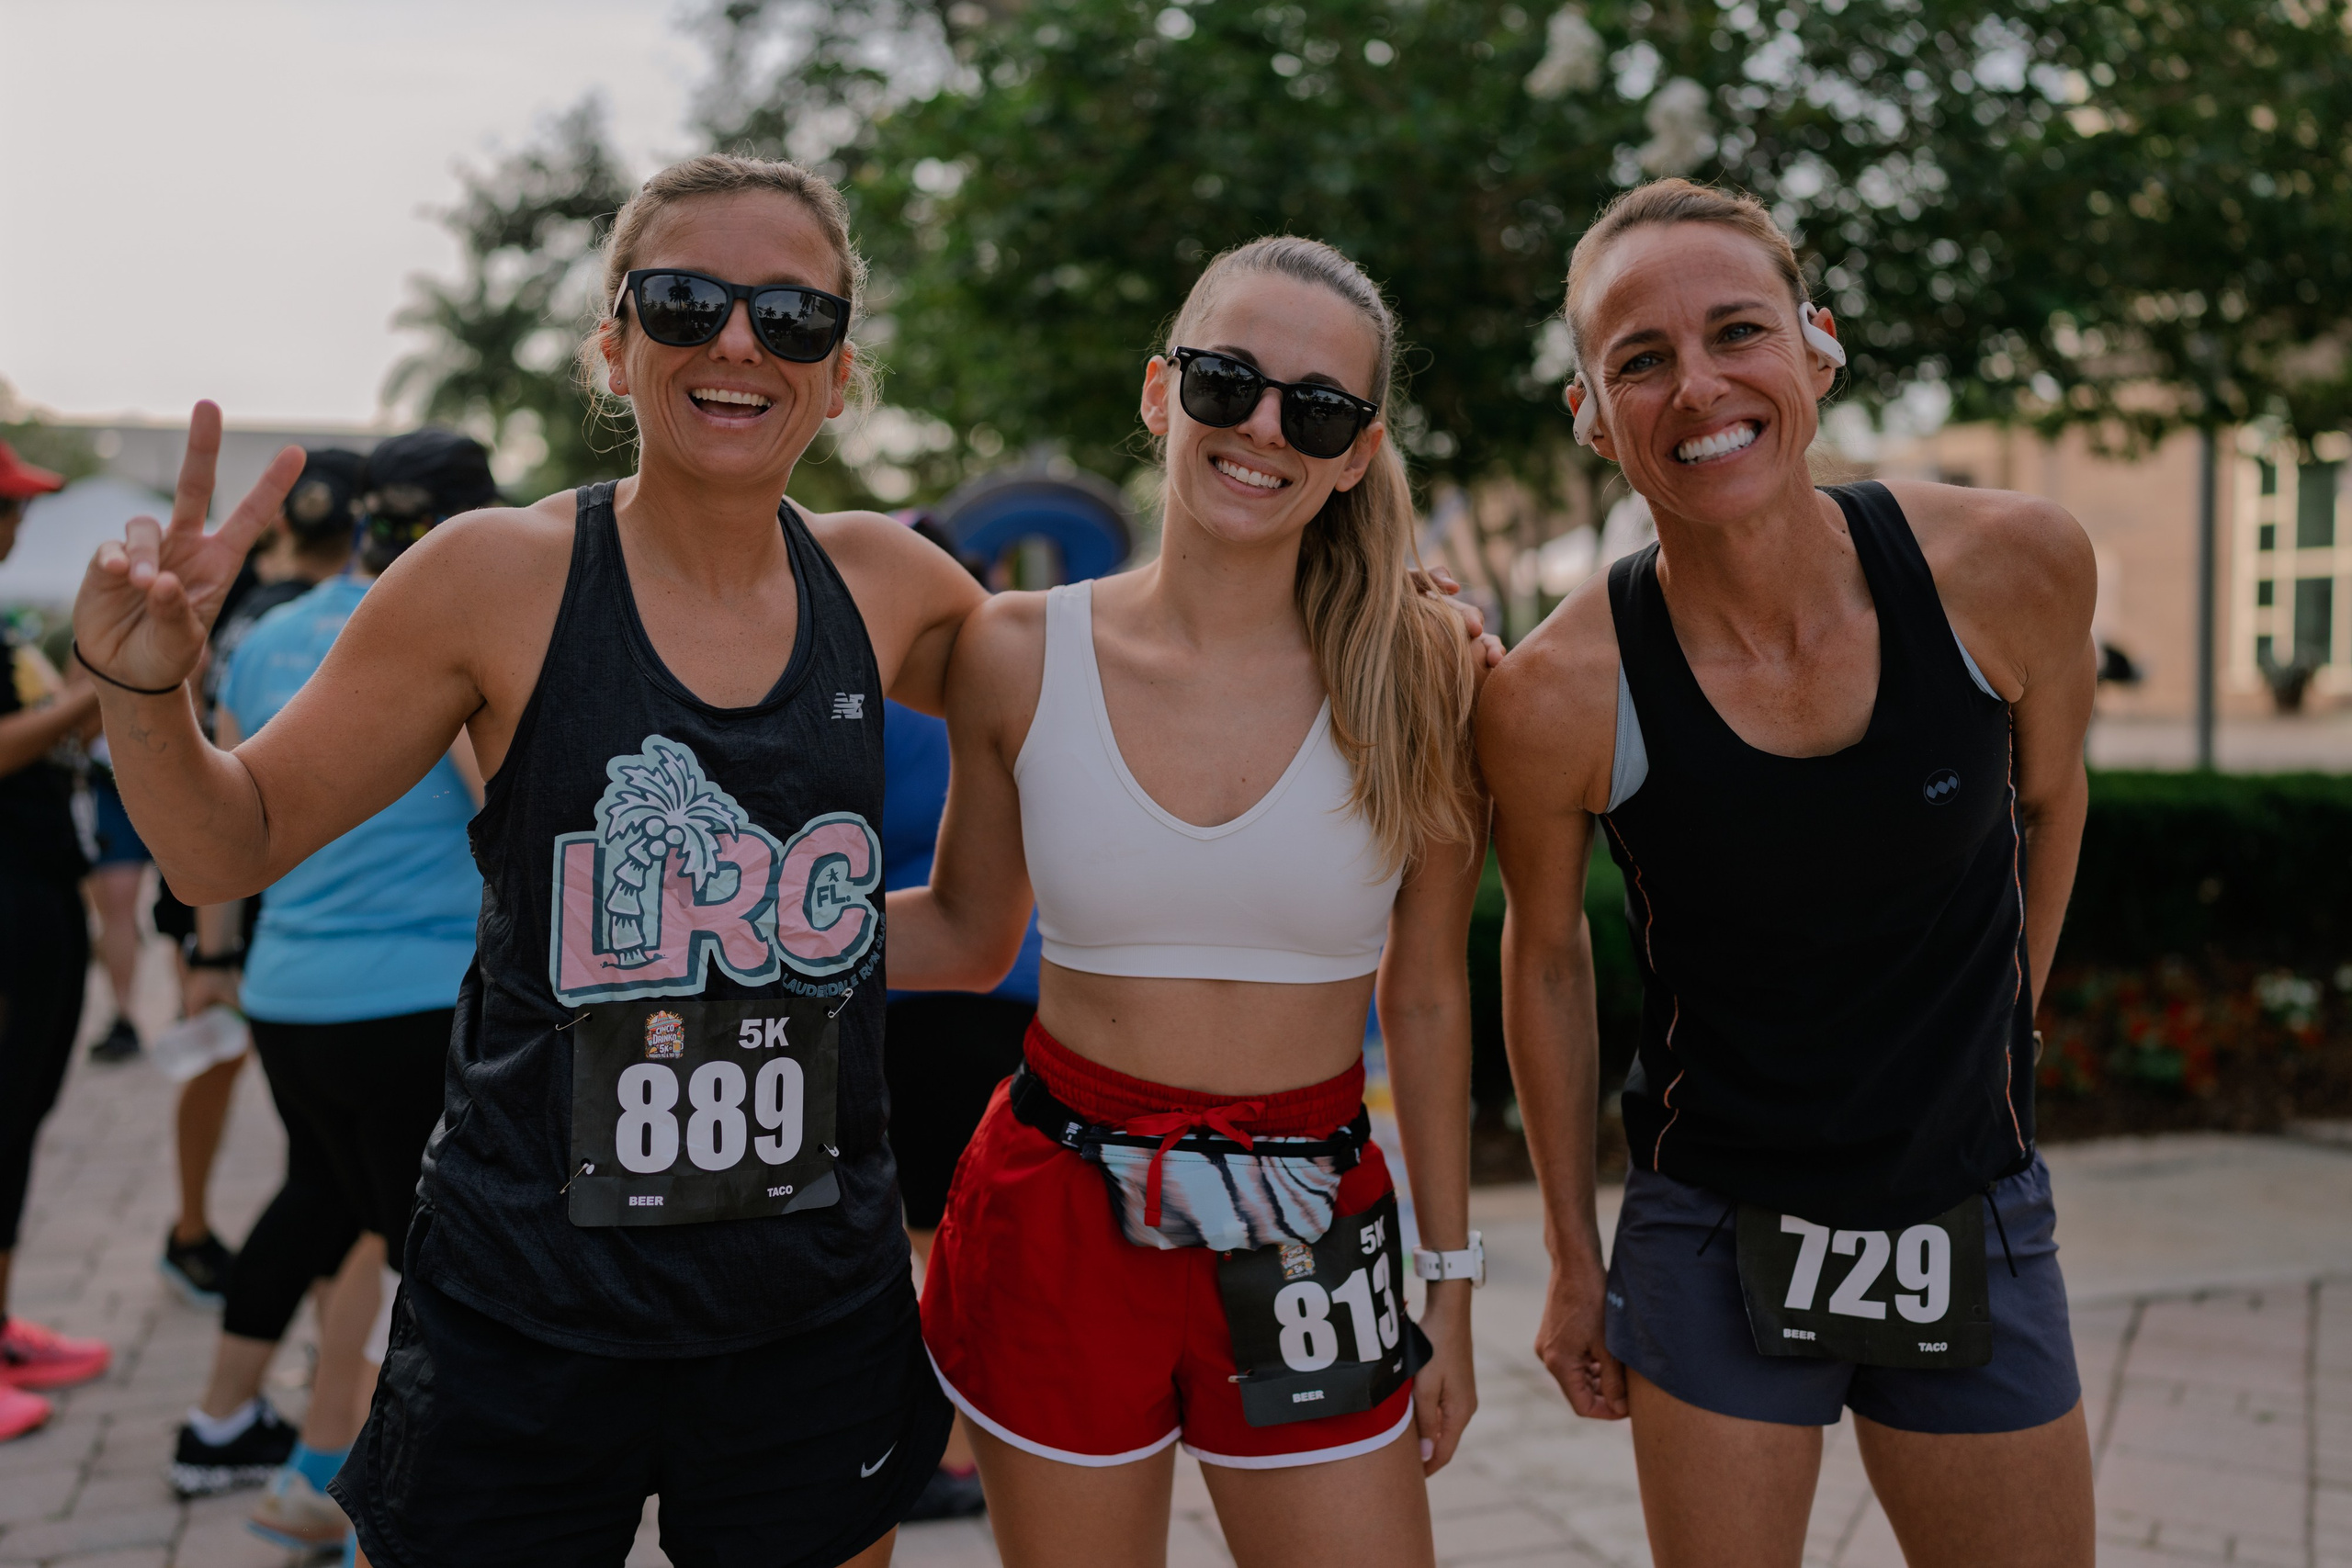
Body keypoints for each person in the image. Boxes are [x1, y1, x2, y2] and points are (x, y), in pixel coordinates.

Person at [75, 152, 1000, 1567]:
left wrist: (1363, 605)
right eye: (685, 301)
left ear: (839, 368)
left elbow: (1051, 804)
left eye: (792, 316)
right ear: (616, 345)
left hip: (808, 1307)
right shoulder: (488, 578)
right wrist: (142, 690)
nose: (739, 341)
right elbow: (223, 846)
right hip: (524, 1303)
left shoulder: (895, 585)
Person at [1478, 178, 2098, 1568]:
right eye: (1639, 359)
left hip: (1968, 1194)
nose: (1698, 387)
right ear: (1591, 413)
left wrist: (2008, 1029)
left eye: (1737, 331)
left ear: (1816, 347)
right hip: (1715, 1221)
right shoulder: (1556, 694)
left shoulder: (2015, 567)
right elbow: (1548, 952)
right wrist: (1576, 1255)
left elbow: (2051, 806)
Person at [888, 236, 1489, 1568]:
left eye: (1316, 407)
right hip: (1056, 1209)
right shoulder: (1015, 650)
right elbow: (970, 930)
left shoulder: (1429, 668)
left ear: (1354, 451)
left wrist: (1450, 1281)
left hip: (1311, 1215)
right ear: (1162, 393)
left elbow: (1433, 990)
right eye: (1228, 381)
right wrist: (744, 929)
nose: (1264, 426)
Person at [167, 434, 492, 1562]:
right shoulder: (458, 629)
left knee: (360, 1223)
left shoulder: (270, 638)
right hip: (415, 997)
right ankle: (370, 1508)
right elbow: (505, 806)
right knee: (433, 1262)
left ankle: (311, 1465)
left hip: (289, 994)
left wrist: (213, 962)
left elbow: (224, 798)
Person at [162, 446, 365, 1308]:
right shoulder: (368, 620)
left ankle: (192, 1227)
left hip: (230, 898)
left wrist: (211, 952)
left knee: (297, 1140)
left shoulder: (235, 613)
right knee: (336, 1175)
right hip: (296, 911)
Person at [877, 520, 1040, 1524]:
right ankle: (984, 1440)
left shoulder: (881, 682)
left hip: (908, 982)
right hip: (1022, 979)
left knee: (929, 1234)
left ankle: (956, 1452)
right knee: (980, 1230)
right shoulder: (1010, 665)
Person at [0, 439, 112, 1443]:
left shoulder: (8, 631)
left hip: (38, 904)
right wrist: (96, 692)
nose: (18, 522)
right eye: (6, 508)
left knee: (19, 1118)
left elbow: (54, 733)